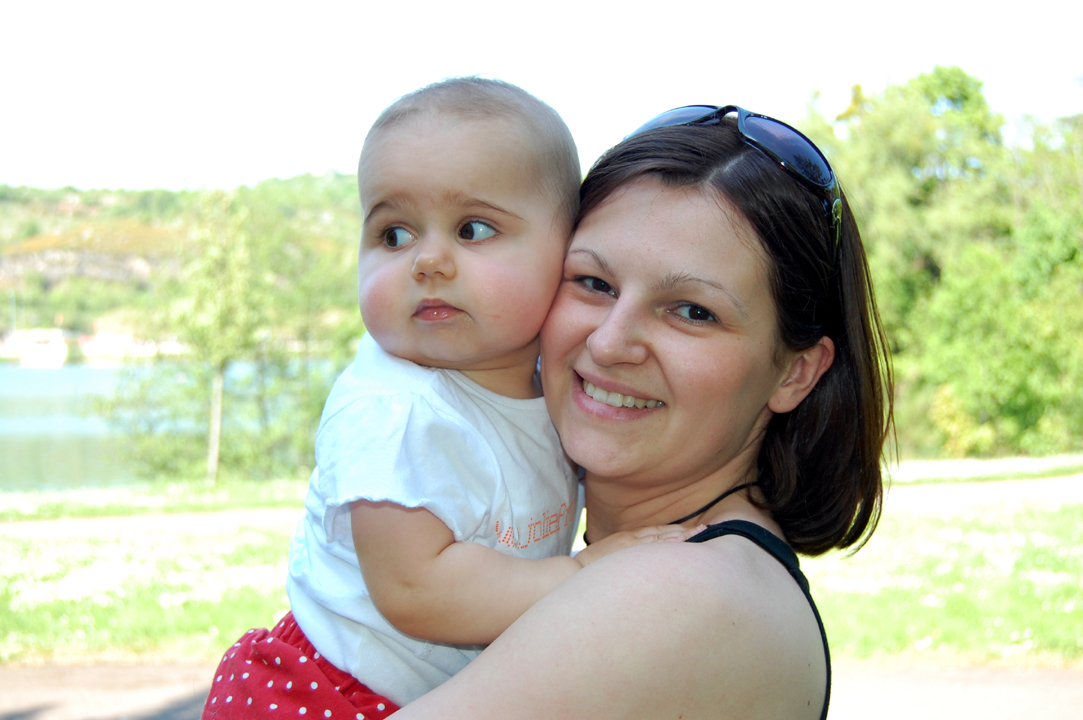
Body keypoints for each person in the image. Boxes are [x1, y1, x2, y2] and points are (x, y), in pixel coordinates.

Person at [201, 79, 696, 720]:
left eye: (473, 228)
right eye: (394, 235)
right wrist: (582, 575)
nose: (428, 261)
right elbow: (416, 588)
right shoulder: (393, 409)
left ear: (567, 251)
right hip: (331, 691)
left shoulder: (563, 384)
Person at [391, 106, 894, 720]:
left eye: (693, 312)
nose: (609, 343)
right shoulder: (688, 570)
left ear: (796, 372)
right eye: (593, 282)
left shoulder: (675, 595)